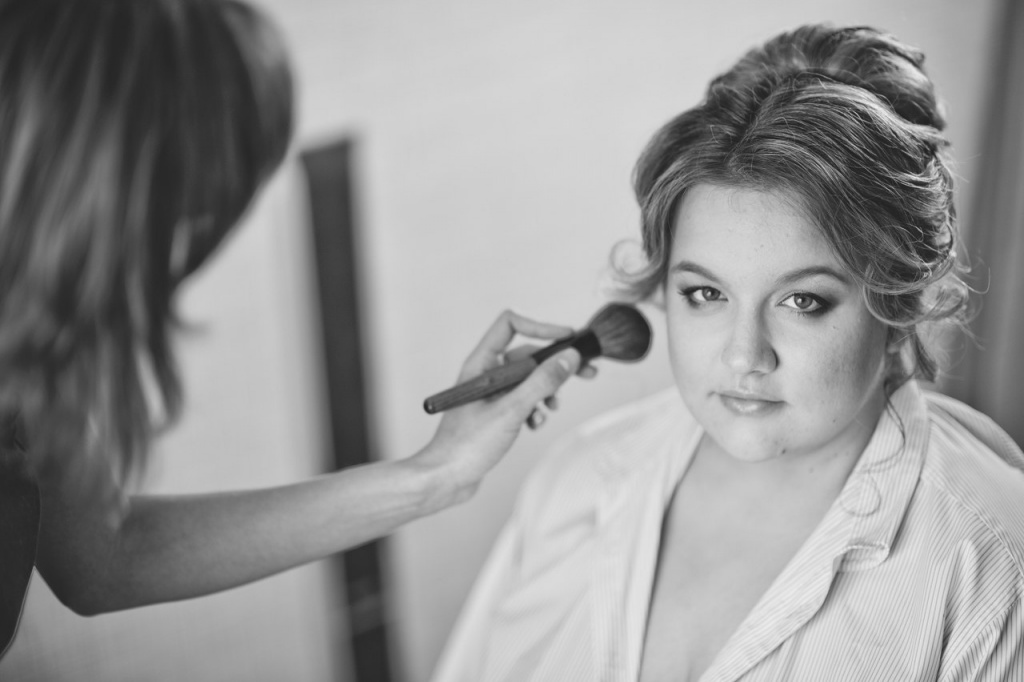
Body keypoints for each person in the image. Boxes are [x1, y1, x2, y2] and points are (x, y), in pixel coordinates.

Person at [432, 23, 1024, 682]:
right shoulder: (580, 480)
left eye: (802, 301)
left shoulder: (992, 563)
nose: (744, 358)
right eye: (706, 293)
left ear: (900, 302)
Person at [0, 0, 587, 658]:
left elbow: (106, 560)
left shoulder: (36, 341)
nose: (172, 268)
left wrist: (440, 472)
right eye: (170, 225)